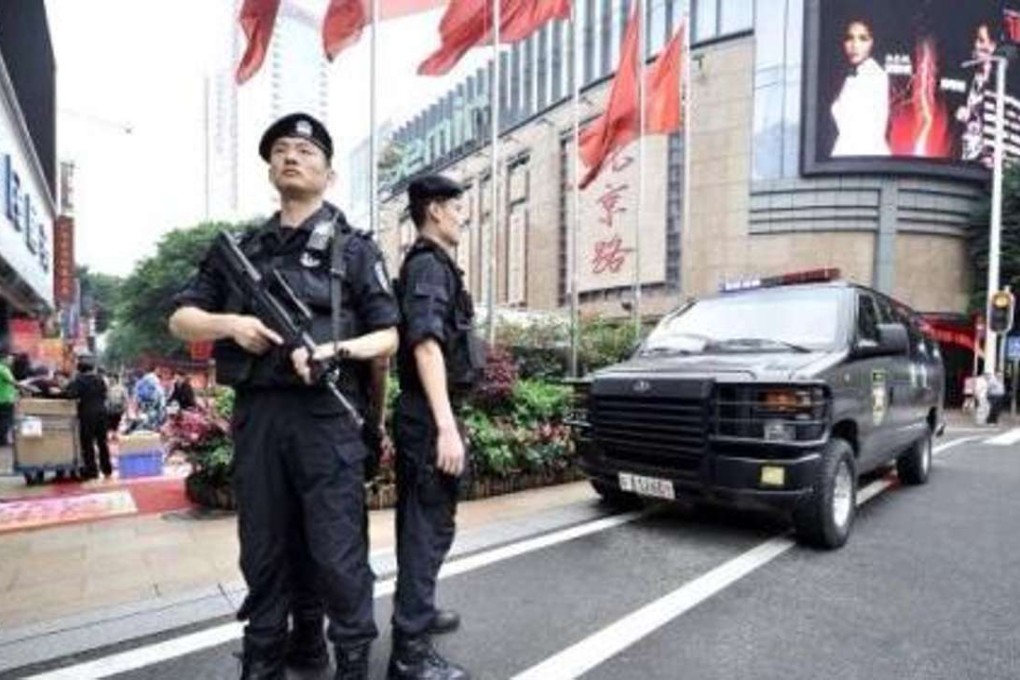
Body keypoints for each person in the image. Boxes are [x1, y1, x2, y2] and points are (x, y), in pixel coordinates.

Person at [169, 112, 399, 680]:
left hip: (328, 414)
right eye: (281, 150)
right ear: (270, 167)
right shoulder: (242, 250)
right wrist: (232, 325)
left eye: (305, 150)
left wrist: (335, 351)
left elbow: (391, 334)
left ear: (329, 172)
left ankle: (350, 662)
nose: (292, 156)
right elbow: (181, 318)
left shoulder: (354, 249)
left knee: (337, 549)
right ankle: (267, 654)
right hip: (260, 415)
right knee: (264, 545)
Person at [388, 174, 485, 680]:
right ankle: (409, 656)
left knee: (423, 527)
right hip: (429, 419)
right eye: (457, 206)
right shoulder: (429, 267)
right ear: (434, 211)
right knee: (428, 530)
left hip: (425, 415)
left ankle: (417, 617)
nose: (463, 215)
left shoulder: (434, 265)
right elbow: (425, 344)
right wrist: (446, 427)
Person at [831, 18, 890, 157]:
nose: (855, 45)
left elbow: (866, 132)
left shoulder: (875, 76)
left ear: (873, 42)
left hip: (865, 155)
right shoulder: (850, 77)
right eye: (849, 38)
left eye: (863, 38)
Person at [64, 355, 112, 479]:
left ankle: (92, 471)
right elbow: (105, 394)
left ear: (79, 369)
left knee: (87, 443)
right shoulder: (100, 379)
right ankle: (107, 469)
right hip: (102, 413)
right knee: (102, 442)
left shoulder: (79, 380)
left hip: (87, 414)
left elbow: (70, 395)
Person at [957, 22, 998, 167]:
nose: (976, 45)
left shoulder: (1000, 79)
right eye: (976, 40)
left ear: (992, 46)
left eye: (981, 40)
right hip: (968, 159)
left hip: (989, 164)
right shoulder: (970, 75)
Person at [0, 352, 16, 446]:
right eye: (10, 359)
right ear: (4, 359)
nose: (11, 361)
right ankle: (2, 441)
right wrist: (28, 388)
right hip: (5, 400)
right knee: (6, 421)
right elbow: (12, 382)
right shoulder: (3, 369)